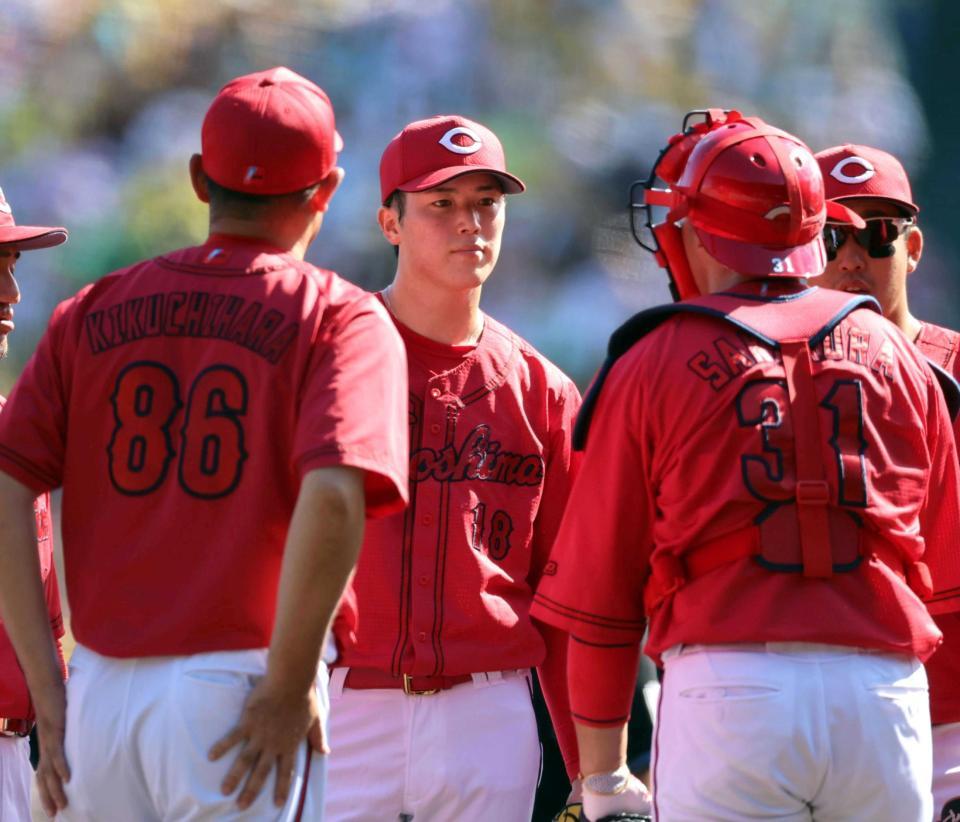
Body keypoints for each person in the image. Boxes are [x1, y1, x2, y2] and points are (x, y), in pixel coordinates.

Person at [0, 66, 409, 821]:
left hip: (100, 693)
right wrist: (289, 686)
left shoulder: (90, 307)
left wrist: (51, 695)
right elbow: (332, 495)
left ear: (198, 178)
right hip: (241, 687)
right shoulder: (339, 316)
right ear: (327, 188)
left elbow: (6, 485)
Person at [531, 110, 960, 821]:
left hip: (733, 686)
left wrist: (603, 774)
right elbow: (947, 585)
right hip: (888, 695)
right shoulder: (908, 362)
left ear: (701, 229)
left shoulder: (653, 357)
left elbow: (602, 601)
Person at [323, 114, 582, 821]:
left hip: (488, 707)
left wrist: (592, 764)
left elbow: (566, 598)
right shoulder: (330, 363)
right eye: (441, 203)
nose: (470, 223)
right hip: (344, 699)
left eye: (486, 203)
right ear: (390, 221)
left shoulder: (544, 391)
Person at [815, 143, 960, 822]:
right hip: (812, 710)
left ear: (913, 247)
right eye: (830, 233)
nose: (850, 258)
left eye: (877, 234)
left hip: (950, 712)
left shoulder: (955, 363)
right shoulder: (757, 373)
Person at [0, 188, 67, 821]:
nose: (10, 299)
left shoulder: (16, 443)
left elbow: (46, 629)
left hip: (19, 758)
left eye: (12, 269)